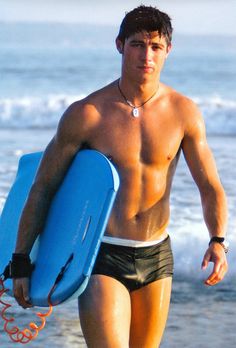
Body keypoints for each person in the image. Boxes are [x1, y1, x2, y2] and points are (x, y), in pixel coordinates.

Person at [12, 5, 228, 348]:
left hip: (156, 255)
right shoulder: (88, 114)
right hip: (103, 255)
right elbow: (43, 188)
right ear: (119, 45)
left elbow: (209, 186)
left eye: (156, 47)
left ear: (168, 50)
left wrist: (218, 240)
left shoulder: (184, 112)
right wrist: (21, 259)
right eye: (137, 44)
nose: (147, 55)